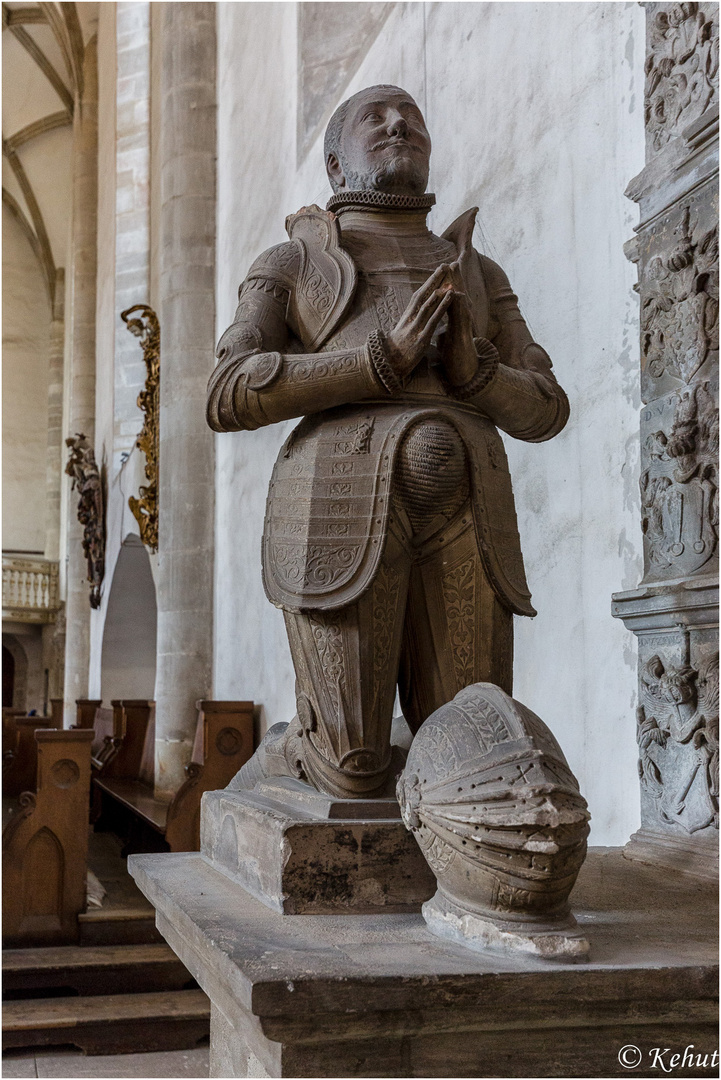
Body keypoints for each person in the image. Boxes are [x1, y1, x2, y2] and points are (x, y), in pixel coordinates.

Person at [207, 85, 569, 799]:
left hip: (466, 504)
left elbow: (544, 409)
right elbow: (227, 390)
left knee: (470, 761)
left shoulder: (475, 268)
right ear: (337, 166)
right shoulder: (291, 261)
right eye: (375, 118)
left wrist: (478, 375)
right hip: (338, 498)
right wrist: (372, 361)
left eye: (412, 119)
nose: (399, 124)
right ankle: (294, 750)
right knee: (352, 770)